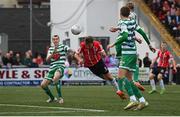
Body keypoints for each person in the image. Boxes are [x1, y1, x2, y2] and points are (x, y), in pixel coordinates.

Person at [107, 6, 155, 110]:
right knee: (129, 79)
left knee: (120, 77)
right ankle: (142, 101)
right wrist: (149, 44)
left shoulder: (122, 22)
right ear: (129, 14)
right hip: (133, 53)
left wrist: (113, 44)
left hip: (127, 54)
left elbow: (124, 35)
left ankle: (132, 99)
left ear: (120, 13)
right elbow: (141, 32)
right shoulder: (132, 21)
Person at [40, 34, 80, 104]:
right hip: (52, 68)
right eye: (54, 39)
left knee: (56, 78)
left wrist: (74, 52)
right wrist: (52, 53)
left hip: (60, 66)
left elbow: (69, 50)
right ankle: (52, 98)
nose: (55, 40)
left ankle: (60, 98)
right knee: (43, 85)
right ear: (52, 41)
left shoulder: (63, 46)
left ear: (58, 40)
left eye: (56, 39)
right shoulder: (51, 49)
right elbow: (47, 59)